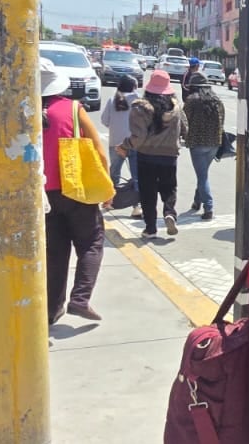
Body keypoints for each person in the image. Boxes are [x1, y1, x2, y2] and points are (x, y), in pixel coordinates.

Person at [42, 56, 108, 324]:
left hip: (41, 193)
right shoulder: (72, 108)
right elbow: (97, 150)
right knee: (92, 241)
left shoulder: (20, 110)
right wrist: (106, 188)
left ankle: (50, 310)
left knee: (55, 253)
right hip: (73, 187)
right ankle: (80, 298)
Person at [123, 70, 187, 236]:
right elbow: (185, 128)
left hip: (146, 155)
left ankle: (151, 228)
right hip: (170, 155)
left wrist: (125, 146)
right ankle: (169, 213)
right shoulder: (176, 107)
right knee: (169, 187)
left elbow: (139, 136)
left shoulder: (140, 108)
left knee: (148, 192)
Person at [182, 72, 224, 220]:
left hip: (197, 143)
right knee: (203, 173)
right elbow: (222, 120)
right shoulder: (216, 100)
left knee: (202, 176)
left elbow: (184, 121)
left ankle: (209, 207)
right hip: (214, 143)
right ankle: (196, 201)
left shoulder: (192, 100)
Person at [100, 74, 141, 190]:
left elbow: (104, 120)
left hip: (116, 142)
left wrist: (115, 126)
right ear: (134, 87)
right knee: (136, 174)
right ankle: (137, 203)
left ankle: (112, 200)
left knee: (114, 172)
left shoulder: (112, 100)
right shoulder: (139, 101)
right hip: (134, 142)